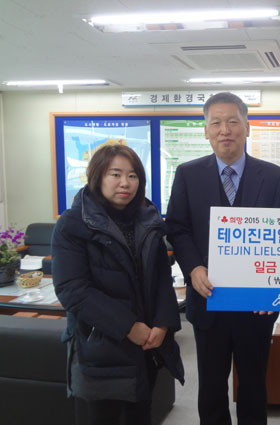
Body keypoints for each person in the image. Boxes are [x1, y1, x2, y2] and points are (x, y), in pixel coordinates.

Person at [165, 92, 280, 425]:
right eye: (216, 122)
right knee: (210, 387)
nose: (225, 130)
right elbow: (177, 227)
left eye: (233, 121)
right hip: (208, 299)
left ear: (247, 127)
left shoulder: (275, 177)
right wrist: (193, 267)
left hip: (257, 304)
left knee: (253, 386)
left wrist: (272, 288)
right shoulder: (188, 174)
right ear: (206, 130)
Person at [52, 144, 184, 425]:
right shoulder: (73, 223)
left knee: (140, 415)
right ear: (97, 176)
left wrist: (163, 324)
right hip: (99, 350)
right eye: (115, 174)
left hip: (146, 347)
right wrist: (128, 327)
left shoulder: (148, 219)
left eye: (132, 175)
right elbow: (72, 290)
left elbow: (162, 277)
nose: (125, 183)